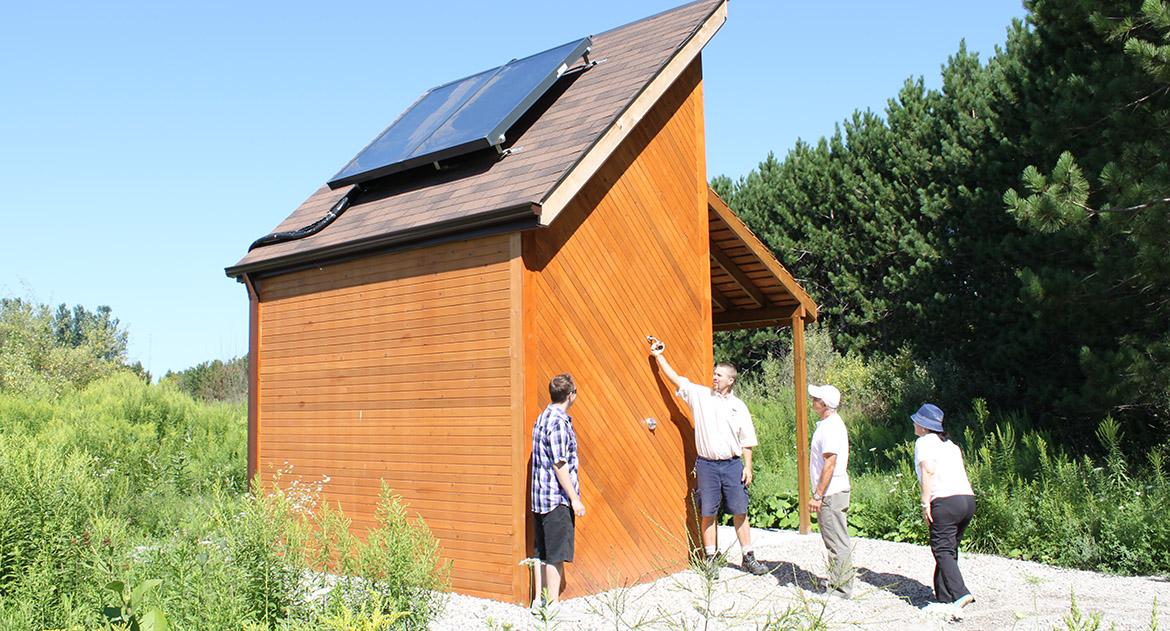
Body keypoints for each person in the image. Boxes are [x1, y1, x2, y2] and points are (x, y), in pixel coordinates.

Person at [649, 338, 768, 576]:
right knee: (708, 512)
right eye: (714, 374)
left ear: (730, 381)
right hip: (707, 466)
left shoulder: (739, 406)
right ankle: (711, 558)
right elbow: (676, 379)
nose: (714, 378)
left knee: (739, 511)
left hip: (733, 466)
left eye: (719, 375)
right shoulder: (700, 396)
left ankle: (748, 557)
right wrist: (659, 356)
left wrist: (748, 467)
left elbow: (747, 440)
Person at [911, 403, 976, 608]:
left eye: (917, 420)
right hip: (966, 499)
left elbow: (928, 471)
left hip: (944, 500)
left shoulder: (924, 442)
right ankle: (944, 595)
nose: (913, 423)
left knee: (941, 548)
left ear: (923, 425)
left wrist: (925, 502)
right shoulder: (951, 445)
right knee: (950, 548)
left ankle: (960, 593)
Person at [530, 374, 586, 609]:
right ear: (570, 395)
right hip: (555, 499)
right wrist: (574, 499)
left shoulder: (542, 417)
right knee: (555, 555)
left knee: (540, 552)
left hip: (538, 497)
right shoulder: (559, 424)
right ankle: (550, 606)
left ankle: (536, 601)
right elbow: (560, 464)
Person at [808, 383, 854, 598]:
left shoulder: (830, 427)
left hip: (831, 492)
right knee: (834, 539)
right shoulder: (829, 424)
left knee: (836, 541)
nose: (812, 400)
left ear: (824, 404)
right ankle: (838, 583)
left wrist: (818, 495)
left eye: (816, 398)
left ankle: (840, 588)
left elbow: (830, 464)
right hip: (833, 491)